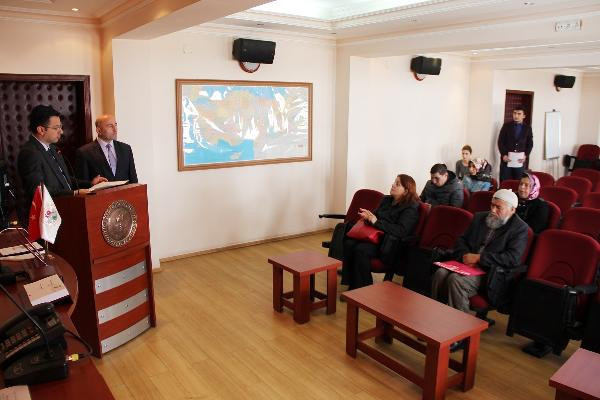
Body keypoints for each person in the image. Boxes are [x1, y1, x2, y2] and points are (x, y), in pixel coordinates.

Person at [431, 189, 528, 315]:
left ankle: (459, 325)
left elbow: (512, 258)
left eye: (498, 207)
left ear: (512, 210)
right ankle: (436, 315)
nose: (493, 210)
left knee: (456, 280)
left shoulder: (520, 229)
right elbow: (461, 240)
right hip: (466, 264)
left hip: (490, 274)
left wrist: (479, 258)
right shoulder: (479, 217)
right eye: (492, 205)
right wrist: (465, 256)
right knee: (440, 273)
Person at [17, 105, 106, 222]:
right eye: (56, 128)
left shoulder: (53, 149)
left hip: (66, 211)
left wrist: (90, 184)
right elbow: (38, 190)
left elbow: (64, 180)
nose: (61, 131)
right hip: (47, 219)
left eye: (61, 127)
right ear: (41, 130)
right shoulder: (30, 152)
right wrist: (74, 193)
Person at [341, 174, 420, 290]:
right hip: (374, 237)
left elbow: (401, 231)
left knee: (360, 249)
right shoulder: (386, 200)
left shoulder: (411, 208)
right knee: (349, 243)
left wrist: (376, 221)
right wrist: (368, 217)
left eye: (397, 184)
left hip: (389, 245)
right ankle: (351, 283)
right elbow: (375, 217)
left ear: (406, 191)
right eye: (394, 182)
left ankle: (363, 289)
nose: (393, 185)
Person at [75, 114, 138, 183]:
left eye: (115, 125)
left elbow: (133, 179)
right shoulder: (84, 152)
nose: (115, 129)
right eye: (110, 126)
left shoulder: (126, 149)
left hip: (125, 190)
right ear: (99, 130)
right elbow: (82, 183)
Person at [498, 107, 533, 182]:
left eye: (519, 114)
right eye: (514, 113)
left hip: (520, 161)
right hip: (506, 160)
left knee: (519, 182)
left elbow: (530, 144)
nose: (516, 116)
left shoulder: (527, 128)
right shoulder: (506, 126)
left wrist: (526, 155)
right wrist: (503, 155)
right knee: (505, 182)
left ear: (524, 116)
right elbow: (500, 141)